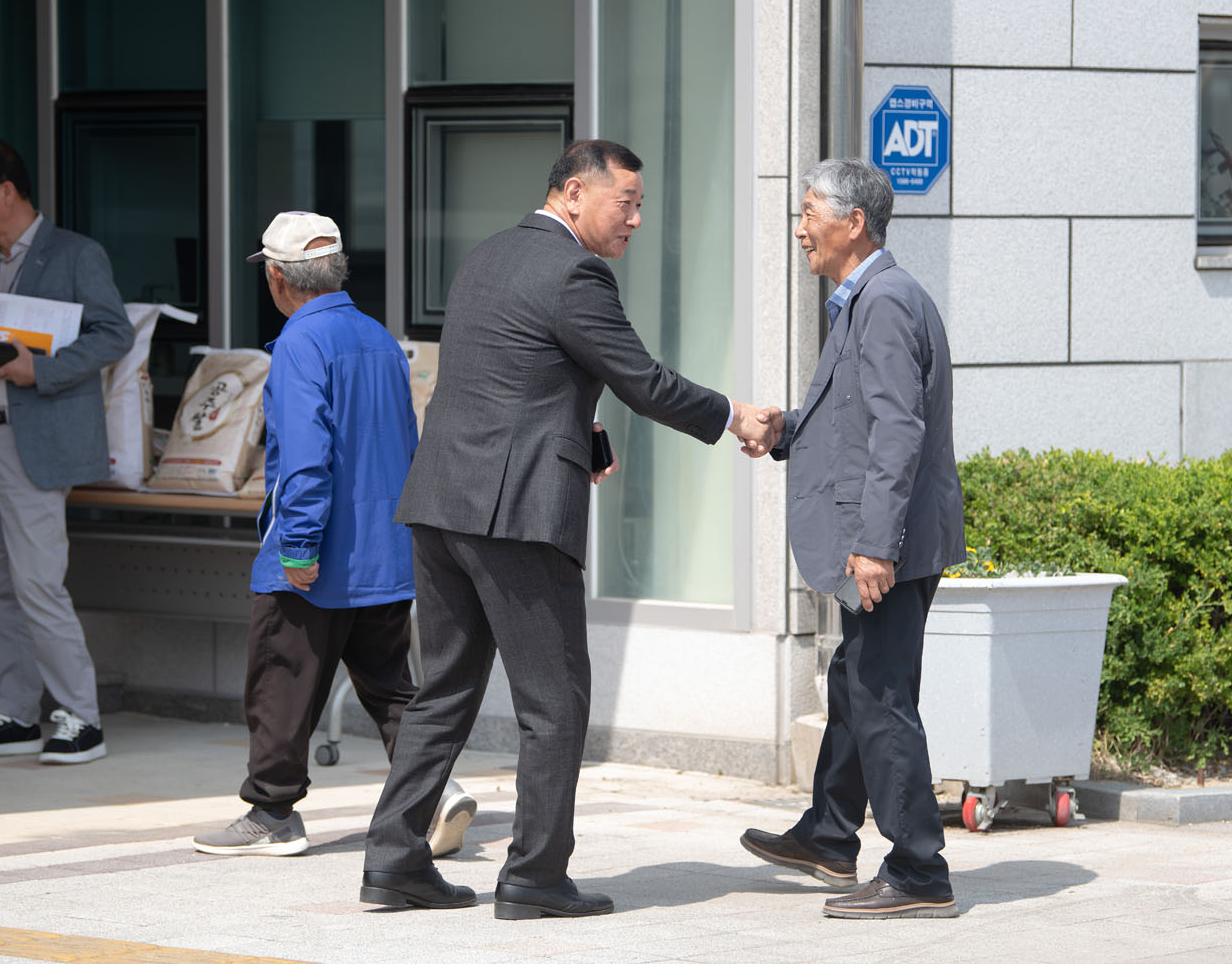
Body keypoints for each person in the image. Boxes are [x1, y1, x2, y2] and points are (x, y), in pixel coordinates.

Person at [360, 139, 780, 920]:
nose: (637, 219)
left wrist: (582, 436)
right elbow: (642, 380)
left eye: (641, 205)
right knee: (554, 701)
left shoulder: (486, 255)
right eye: (627, 202)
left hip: (442, 502)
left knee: (442, 691)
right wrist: (735, 416)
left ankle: (392, 862)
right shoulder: (575, 272)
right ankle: (534, 875)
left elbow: (508, 375)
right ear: (575, 193)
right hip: (516, 514)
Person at [192, 212, 475, 860]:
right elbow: (405, 441)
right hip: (385, 550)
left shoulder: (298, 343)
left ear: (276, 277)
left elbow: (305, 456)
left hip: (316, 555)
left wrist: (296, 546)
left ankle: (272, 813)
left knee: (280, 681)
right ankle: (438, 792)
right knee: (390, 686)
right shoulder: (379, 339)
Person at [740, 158, 965, 919]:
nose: (799, 228)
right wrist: (785, 429)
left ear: (853, 223)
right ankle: (831, 835)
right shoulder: (865, 300)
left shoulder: (887, 301)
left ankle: (919, 870)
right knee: (854, 683)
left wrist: (875, 545)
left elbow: (899, 432)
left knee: (881, 697)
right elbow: (854, 424)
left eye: (810, 212)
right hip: (881, 537)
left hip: (887, 546)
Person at [0, 136, 132, 764]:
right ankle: (15, 712)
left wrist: (39, 370)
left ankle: (81, 717)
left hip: (33, 440)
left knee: (37, 583)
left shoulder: (74, 253)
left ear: (5, 190)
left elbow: (113, 334)